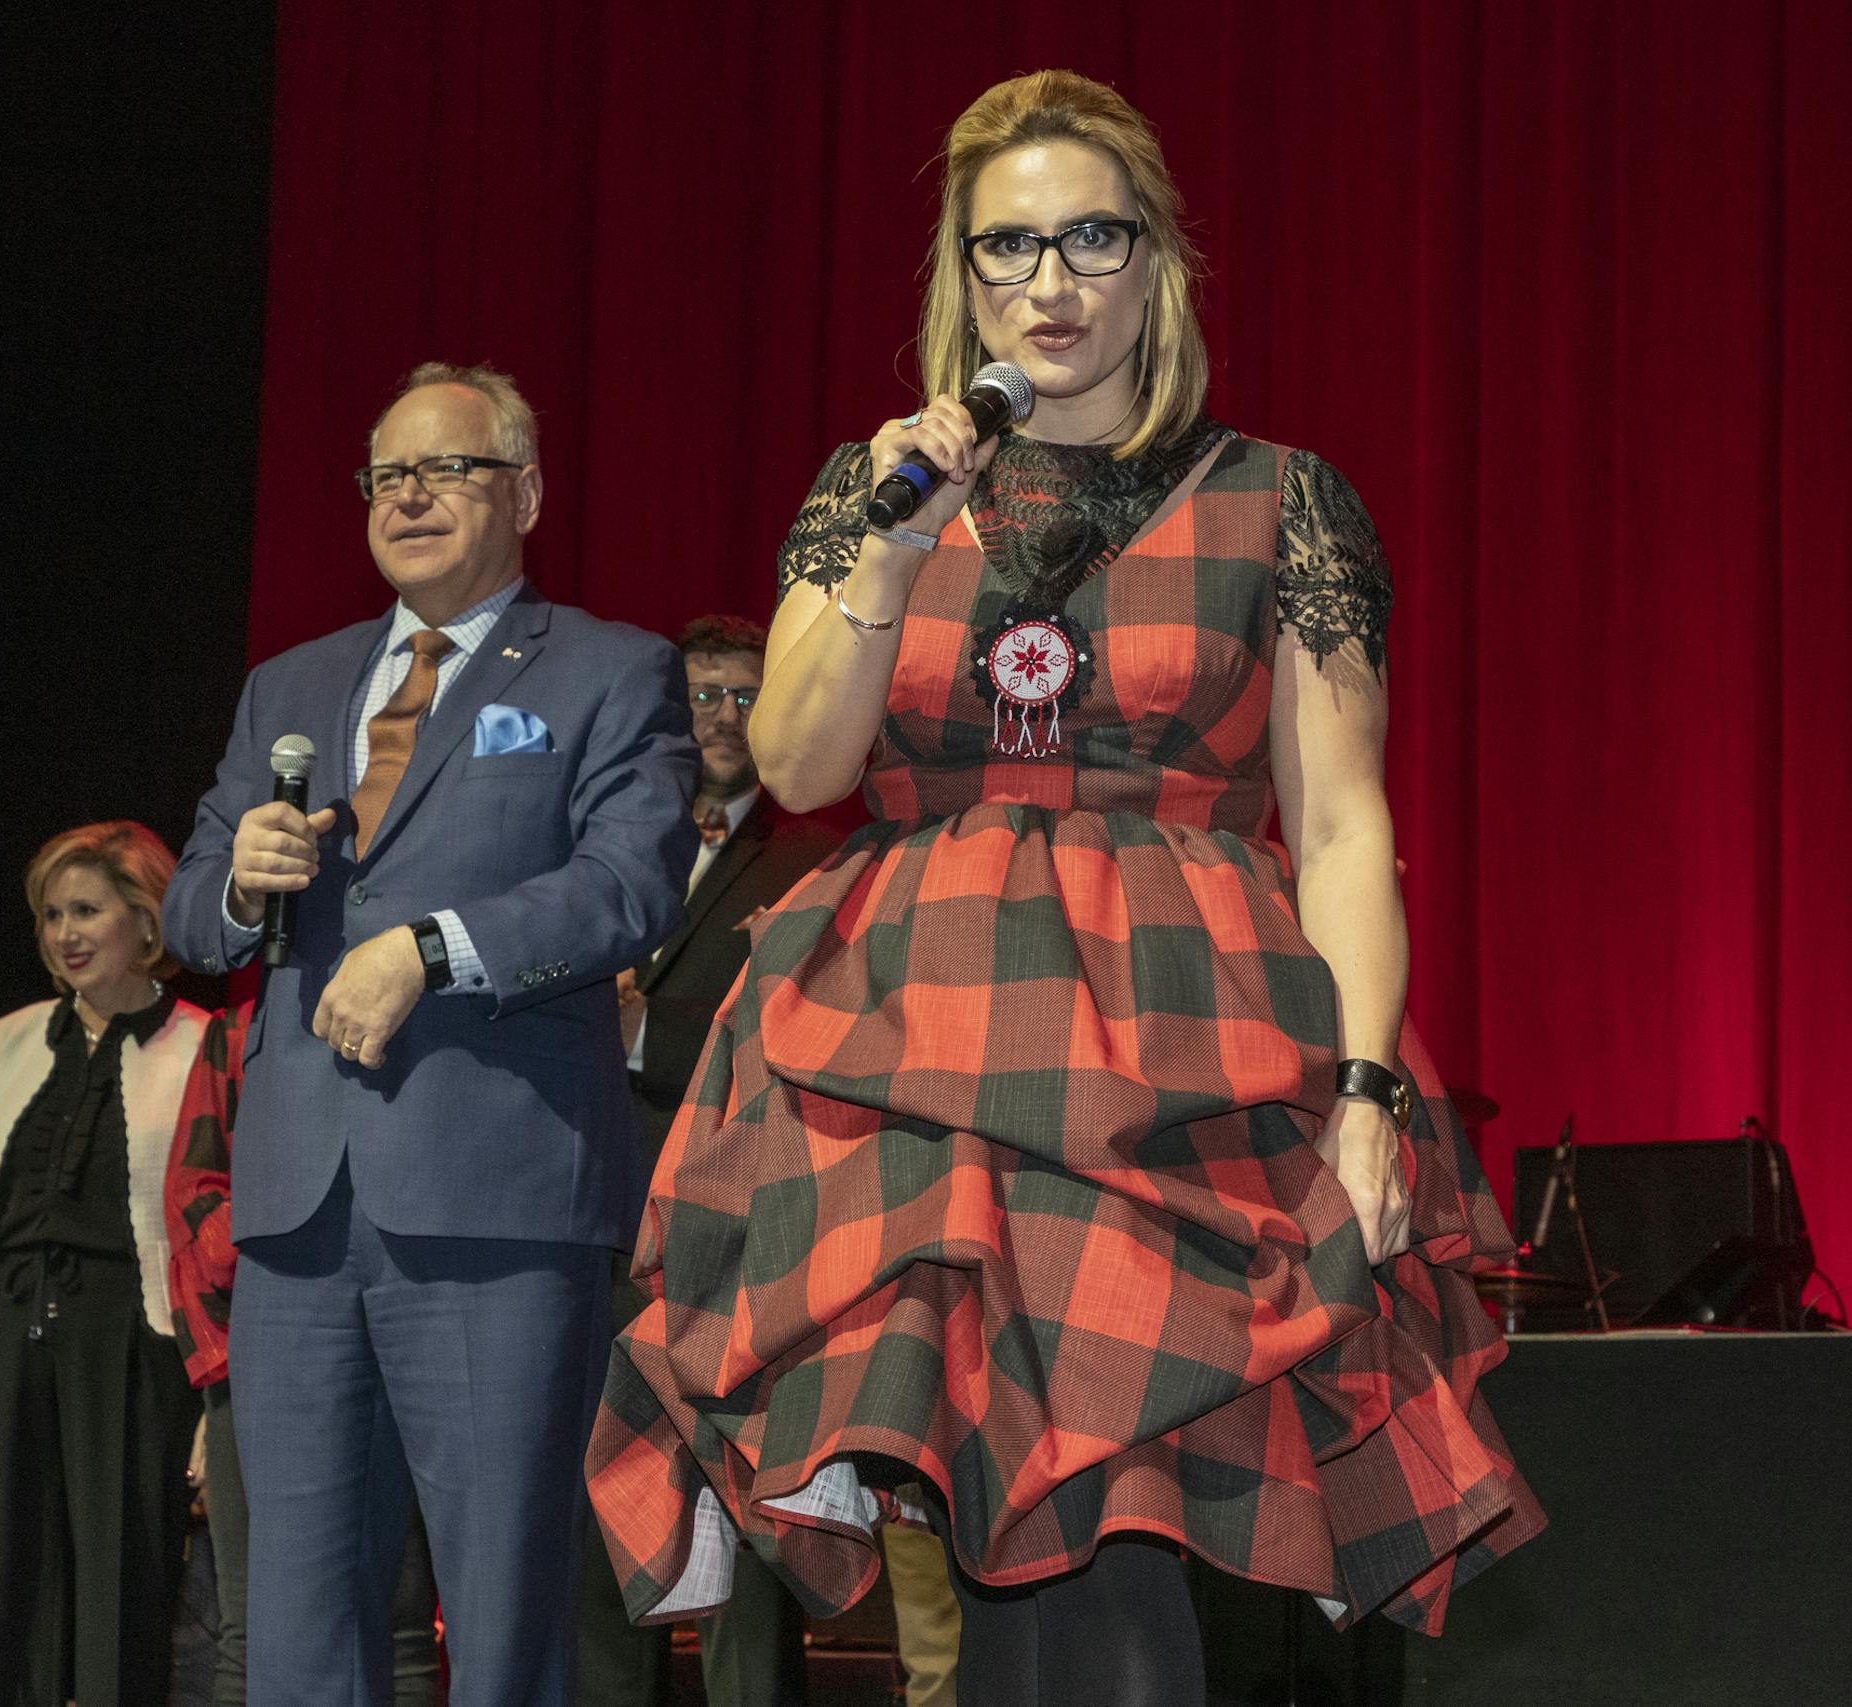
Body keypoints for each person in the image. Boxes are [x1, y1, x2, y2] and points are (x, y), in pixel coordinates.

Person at [587, 70, 1543, 1707]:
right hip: (928, 1043)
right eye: (1005, 246)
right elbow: (808, 765)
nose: (1049, 281)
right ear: (958, 276)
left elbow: (1341, 833)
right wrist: (890, 547)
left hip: (1184, 1051)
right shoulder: (868, 488)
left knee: (1116, 1527)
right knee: (1009, 1534)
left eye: (1090, 238)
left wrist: (1370, 1094)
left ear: (1157, 258)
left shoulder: (1281, 497)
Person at [161, 361, 698, 1707]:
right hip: (297, 1213)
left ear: (520, 491)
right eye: (383, 474)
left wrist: (434, 948)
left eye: (441, 468)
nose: (405, 494)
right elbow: (188, 912)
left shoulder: (609, 668)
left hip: (498, 1205)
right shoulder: (291, 683)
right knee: (291, 1607)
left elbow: (632, 881)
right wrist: (243, 877)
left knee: (505, 1603)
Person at [578, 615, 842, 1706]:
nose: (724, 717)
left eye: (746, 695)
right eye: (703, 695)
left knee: (745, 1521)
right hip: (589, 1215)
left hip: (736, 1231)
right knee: (598, 1503)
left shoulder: (818, 857)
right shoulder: (587, 840)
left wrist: (637, 1030)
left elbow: (806, 1032)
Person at [0, 820, 209, 1707]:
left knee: (125, 1578)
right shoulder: (6, 1039)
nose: (64, 931)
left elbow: (222, 1230)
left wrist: (221, 1394)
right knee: (6, 1578)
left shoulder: (203, 1045)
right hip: (0, 1333)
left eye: (87, 910)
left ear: (146, 921)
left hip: (131, 1338)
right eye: (51, 914)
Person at [164, 1001, 445, 1707]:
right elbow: (192, 1196)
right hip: (252, 1348)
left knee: (402, 1623)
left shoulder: (419, 1000)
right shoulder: (239, 1027)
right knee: (257, 1628)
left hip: (411, 1331)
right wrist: (293, 1228)